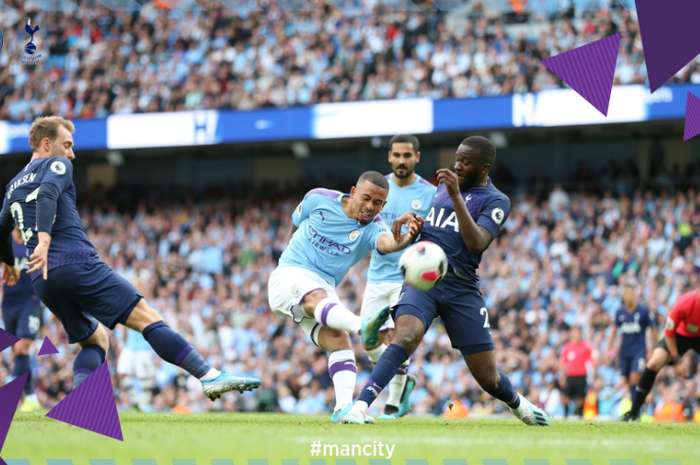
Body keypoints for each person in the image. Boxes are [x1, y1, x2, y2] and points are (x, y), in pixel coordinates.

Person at [0, 116, 260, 402]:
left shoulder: (12, 186)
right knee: (147, 317)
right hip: (75, 262)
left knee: (96, 339)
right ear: (47, 144)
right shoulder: (56, 164)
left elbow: (1, 228)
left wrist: (10, 263)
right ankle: (209, 376)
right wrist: (45, 239)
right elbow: (48, 192)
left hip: (43, 280)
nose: (72, 153)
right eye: (67, 145)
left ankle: (80, 401)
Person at [341, 136, 551, 426]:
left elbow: (477, 242)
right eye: (457, 158)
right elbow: (440, 228)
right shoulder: (443, 188)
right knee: (405, 337)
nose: (458, 165)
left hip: (462, 287)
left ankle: (519, 404)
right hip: (424, 281)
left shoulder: (496, 200)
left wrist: (455, 196)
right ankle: (360, 407)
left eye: (466, 161)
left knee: (488, 379)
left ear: (484, 167)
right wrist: (414, 224)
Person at [267, 170, 424, 423]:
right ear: (353, 192)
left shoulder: (374, 227)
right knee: (319, 299)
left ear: (383, 205)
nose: (370, 207)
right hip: (291, 273)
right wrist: (287, 259)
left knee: (339, 339)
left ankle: (342, 410)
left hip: (324, 287)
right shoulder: (318, 198)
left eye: (377, 203)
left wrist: (407, 238)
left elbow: (387, 243)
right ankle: (362, 325)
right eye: (366, 198)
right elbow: (296, 223)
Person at [362, 135, 436, 420]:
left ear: (417, 157)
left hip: (408, 278)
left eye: (407, 155)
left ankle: (392, 406)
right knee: (369, 341)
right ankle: (404, 385)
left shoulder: (430, 193)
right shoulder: (378, 187)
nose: (402, 160)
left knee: (397, 340)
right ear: (390, 157)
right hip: (376, 276)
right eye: (397, 155)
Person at [622, 284, 700, 421]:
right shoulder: (685, 302)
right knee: (654, 362)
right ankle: (633, 413)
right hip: (679, 336)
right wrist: (677, 361)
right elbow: (669, 332)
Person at [2, 227, 42, 412]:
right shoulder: (5, 241)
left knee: (22, 346)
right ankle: (32, 397)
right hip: (9, 305)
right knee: (19, 354)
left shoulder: (33, 241)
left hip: (31, 303)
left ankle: (8, 388)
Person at [606, 281, 656, 400]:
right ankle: (635, 406)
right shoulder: (620, 312)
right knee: (627, 380)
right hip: (624, 350)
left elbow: (653, 329)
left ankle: (635, 408)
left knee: (634, 377)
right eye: (625, 294)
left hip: (639, 350)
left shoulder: (643, 311)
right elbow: (614, 331)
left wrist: (653, 348)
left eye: (630, 293)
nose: (628, 296)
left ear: (635, 295)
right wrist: (609, 349)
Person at [559, 326, 593, 418]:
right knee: (566, 398)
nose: (576, 335)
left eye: (578, 333)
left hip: (582, 376)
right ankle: (565, 415)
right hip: (570, 376)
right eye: (574, 332)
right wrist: (562, 377)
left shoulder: (586, 346)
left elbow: (591, 361)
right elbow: (562, 363)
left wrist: (593, 374)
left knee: (581, 398)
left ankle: (579, 415)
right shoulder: (567, 347)